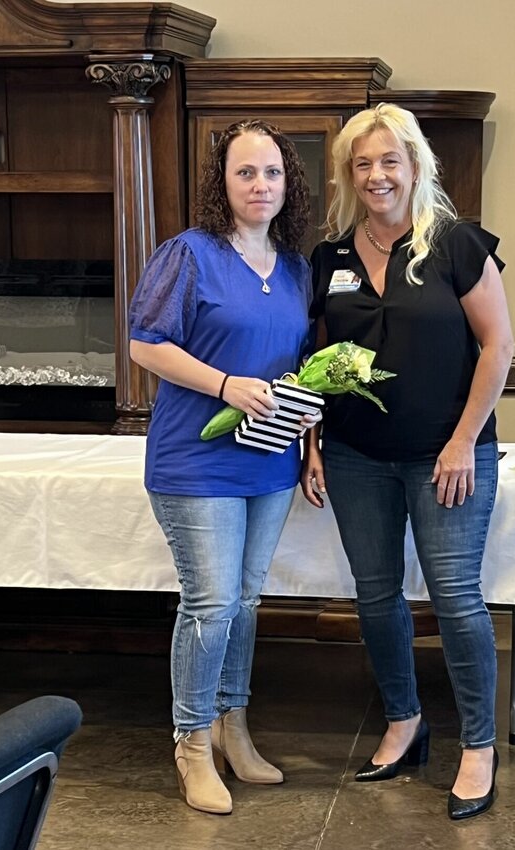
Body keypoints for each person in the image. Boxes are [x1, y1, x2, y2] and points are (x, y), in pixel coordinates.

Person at [301, 103, 514, 820]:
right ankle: (404, 719)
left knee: (454, 597)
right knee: (373, 594)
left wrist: (461, 441)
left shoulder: (455, 244)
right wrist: (312, 442)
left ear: (415, 166)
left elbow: (498, 346)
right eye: (361, 164)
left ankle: (478, 744)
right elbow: (315, 361)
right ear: (347, 175)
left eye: (388, 160)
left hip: (446, 456)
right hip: (357, 455)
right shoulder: (328, 258)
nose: (375, 175)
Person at [129, 119, 319, 815]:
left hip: (268, 461)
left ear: (286, 183)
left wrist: (308, 435)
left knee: (243, 602)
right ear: (223, 182)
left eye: (271, 172)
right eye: (245, 172)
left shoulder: (295, 267)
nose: (260, 185)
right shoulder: (189, 254)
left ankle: (230, 726)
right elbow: (145, 345)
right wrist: (223, 385)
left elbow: (296, 366)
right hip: (196, 461)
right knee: (209, 604)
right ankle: (189, 743)